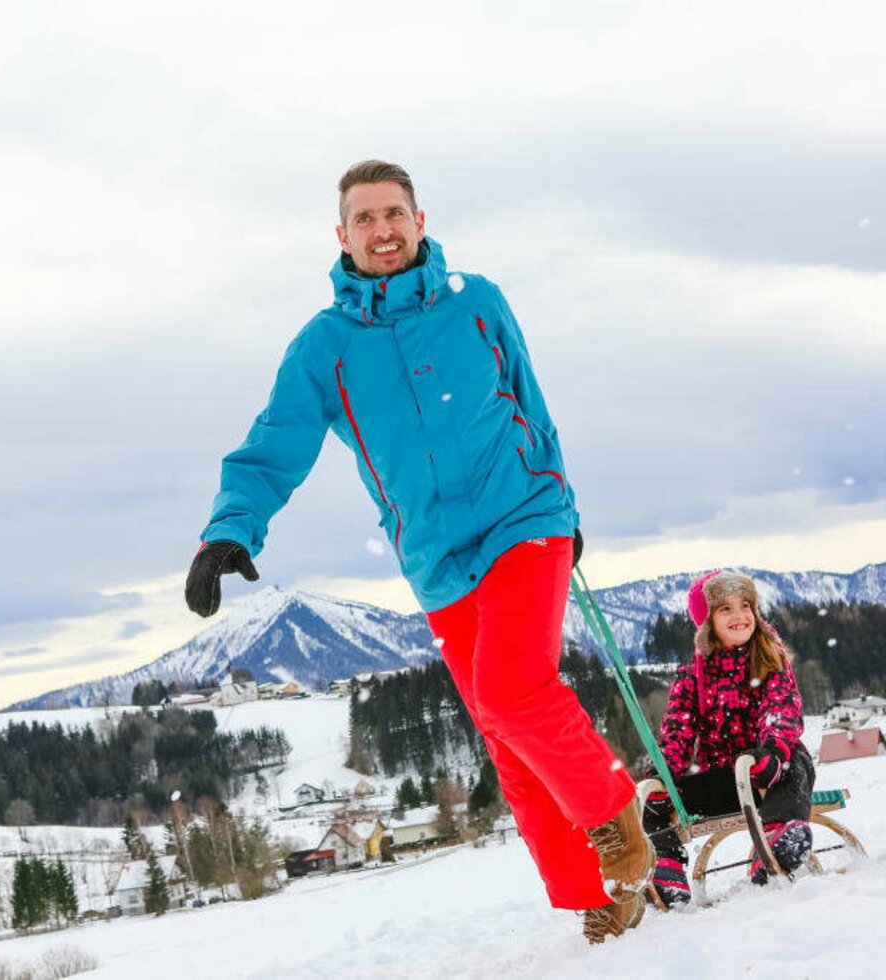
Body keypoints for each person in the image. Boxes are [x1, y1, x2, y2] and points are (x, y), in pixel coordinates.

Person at [185, 160, 653, 942]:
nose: (383, 230)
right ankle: (594, 900)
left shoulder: (479, 303)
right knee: (506, 741)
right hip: (437, 558)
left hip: (523, 517)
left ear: (420, 220)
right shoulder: (324, 347)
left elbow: (530, 403)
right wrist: (230, 530)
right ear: (342, 236)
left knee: (511, 690)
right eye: (365, 219)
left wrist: (562, 505)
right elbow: (274, 446)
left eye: (395, 213)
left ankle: (612, 809)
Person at [643, 570, 815, 908]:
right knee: (653, 795)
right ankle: (664, 866)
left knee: (796, 761)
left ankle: (779, 831)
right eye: (725, 609)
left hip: (770, 772)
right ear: (707, 622)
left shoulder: (769, 659)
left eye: (745, 605)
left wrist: (771, 753)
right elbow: (678, 730)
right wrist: (663, 774)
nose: (740, 616)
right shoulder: (692, 675)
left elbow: (781, 709)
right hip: (728, 780)